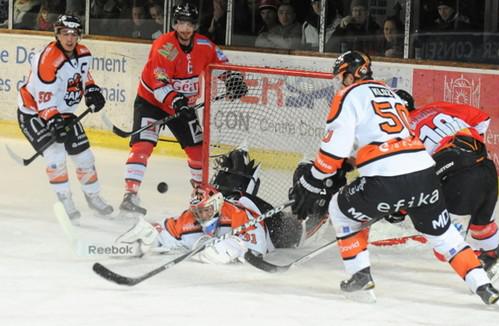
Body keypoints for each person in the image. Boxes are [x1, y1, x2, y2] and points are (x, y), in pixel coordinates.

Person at [289, 50, 499, 306]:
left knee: (339, 209)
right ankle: (484, 286)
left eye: (340, 77)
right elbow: (393, 143)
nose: (339, 82)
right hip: (424, 174)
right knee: (445, 237)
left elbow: (335, 149)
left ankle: (359, 275)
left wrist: (315, 179)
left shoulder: (348, 94)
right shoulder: (390, 94)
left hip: (386, 178)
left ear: (349, 75)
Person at [119, 2, 248, 216]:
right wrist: (177, 101)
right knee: (143, 146)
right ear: (174, 24)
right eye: (181, 23)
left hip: (183, 107)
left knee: (197, 151)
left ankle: (200, 196)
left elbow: (221, 63)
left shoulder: (205, 46)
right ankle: (130, 195)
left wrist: (232, 79)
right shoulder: (165, 47)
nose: (185, 28)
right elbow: (159, 82)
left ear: (196, 25)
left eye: (189, 23)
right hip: (151, 103)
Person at [396, 90, 499, 282]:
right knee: (482, 224)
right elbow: (483, 118)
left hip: (460, 179)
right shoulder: (436, 107)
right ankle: (494, 255)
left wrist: (401, 209)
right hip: (486, 167)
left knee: (444, 246)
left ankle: (485, 262)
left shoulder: (402, 132)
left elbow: (410, 177)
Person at [117, 149, 302, 262]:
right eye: (197, 211)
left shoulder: (239, 215)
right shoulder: (191, 218)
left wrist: (229, 248)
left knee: (295, 230)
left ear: (216, 205)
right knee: (234, 186)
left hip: (271, 227)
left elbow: (257, 251)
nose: (201, 216)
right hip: (233, 198)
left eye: (206, 211)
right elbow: (166, 231)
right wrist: (149, 234)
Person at [16, 14, 113, 221]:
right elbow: (44, 101)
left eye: (74, 34)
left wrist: (92, 90)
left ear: (79, 35)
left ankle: (93, 196)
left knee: (85, 157)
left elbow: (84, 76)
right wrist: (53, 120)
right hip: (34, 112)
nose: (69, 38)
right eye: (64, 33)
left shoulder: (84, 53)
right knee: (55, 155)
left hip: (64, 112)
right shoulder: (47, 59)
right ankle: (65, 200)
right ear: (57, 34)